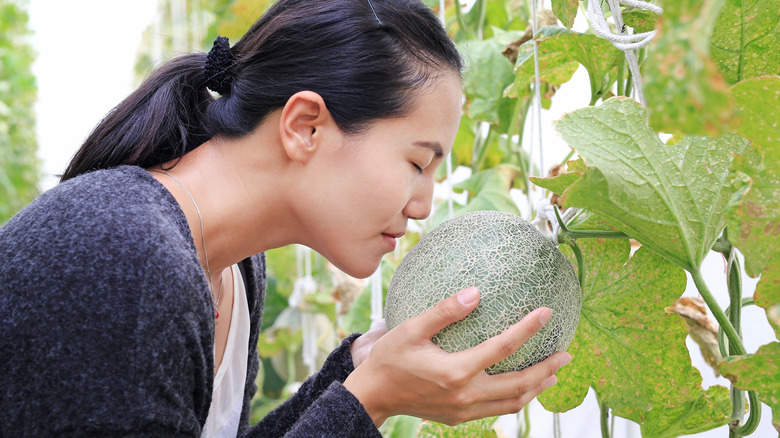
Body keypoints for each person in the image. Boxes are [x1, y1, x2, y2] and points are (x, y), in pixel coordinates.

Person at [0, 0, 571, 436]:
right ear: (305, 125)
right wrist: (364, 402)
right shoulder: (122, 262)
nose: (422, 204)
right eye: (417, 163)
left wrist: (354, 375)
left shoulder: (236, 269)